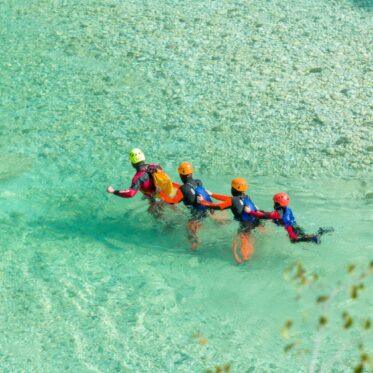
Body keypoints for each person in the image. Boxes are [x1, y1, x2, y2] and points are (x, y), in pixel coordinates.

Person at [198, 178, 261, 264]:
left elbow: (218, 206)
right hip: (256, 221)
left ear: (233, 189)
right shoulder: (246, 197)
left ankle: (246, 259)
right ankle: (249, 254)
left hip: (246, 225)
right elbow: (228, 199)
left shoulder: (232, 200)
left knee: (239, 243)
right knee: (248, 238)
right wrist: (212, 194)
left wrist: (202, 202)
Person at [158, 162, 215, 250]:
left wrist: (161, 192)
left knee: (189, 230)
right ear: (191, 173)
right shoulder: (198, 182)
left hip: (196, 215)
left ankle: (194, 248)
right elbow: (190, 189)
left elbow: (172, 202)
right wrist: (173, 184)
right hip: (207, 209)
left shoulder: (182, 189)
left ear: (181, 175)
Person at [249, 192, 332, 244]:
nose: (273, 204)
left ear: (278, 205)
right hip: (295, 226)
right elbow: (271, 215)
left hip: (291, 228)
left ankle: (315, 236)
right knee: (303, 235)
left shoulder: (278, 214)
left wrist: (250, 212)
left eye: (275, 203)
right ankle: (320, 232)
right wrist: (260, 210)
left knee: (293, 240)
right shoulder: (287, 209)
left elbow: (264, 216)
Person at [107, 148, 167, 218]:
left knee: (156, 216)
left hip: (156, 200)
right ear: (143, 158)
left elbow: (130, 193)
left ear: (132, 163)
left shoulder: (138, 177)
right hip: (166, 194)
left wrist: (113, 191)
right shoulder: (155, 166)